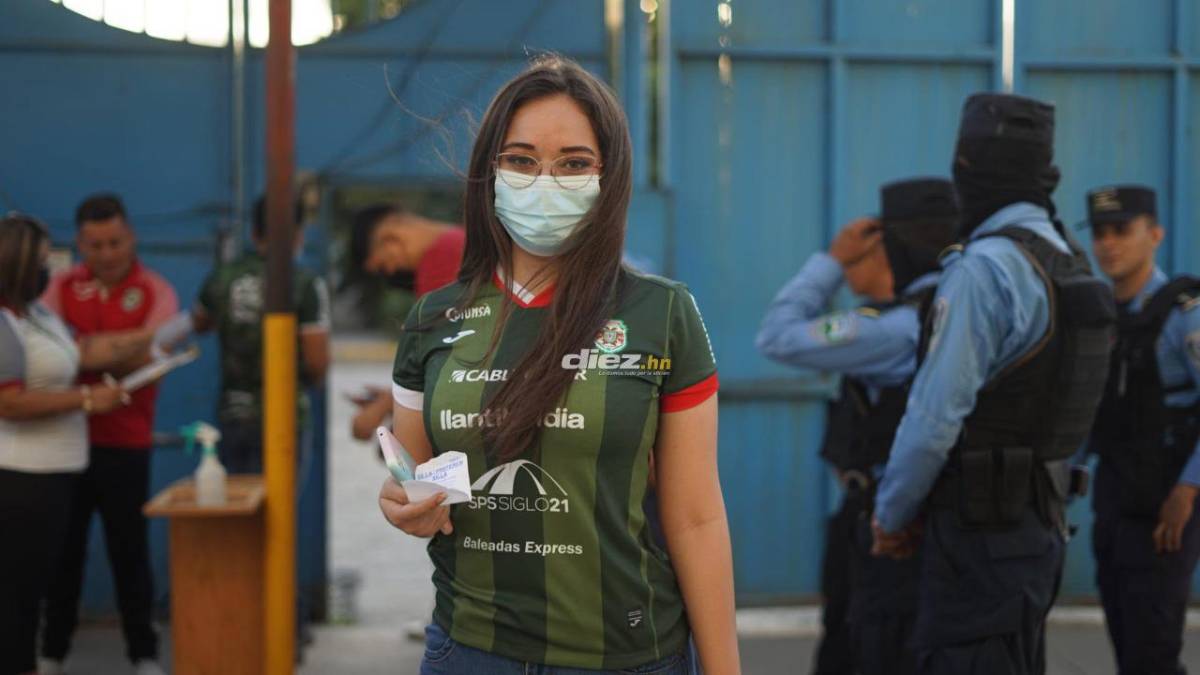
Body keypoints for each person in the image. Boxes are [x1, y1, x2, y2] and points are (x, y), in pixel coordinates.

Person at [377, 56, 739, 674]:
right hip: (470, 652)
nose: (544, 181)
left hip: (628, 655)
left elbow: (697, 518)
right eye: (520, 160)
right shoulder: (432, 320)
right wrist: (401, 504)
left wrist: (725, 668)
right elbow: (416, 478)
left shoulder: (662, 313)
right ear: (489, 174)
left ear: (608, 176)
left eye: (574, 163)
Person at [870, 93, 1115, 674]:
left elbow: (933, 421)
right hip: (1038, 532)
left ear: (967, 168)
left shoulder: (984, 269)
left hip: (976, 542)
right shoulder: (1069, 261)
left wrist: (891, 515)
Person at [757, 178, 958, 675]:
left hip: (889, 524)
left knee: (869, 648)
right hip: (916, 518)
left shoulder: (891, 329)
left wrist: (829, 260)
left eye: (856, 255)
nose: (847, 269)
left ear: (887, 249)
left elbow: (776, 336)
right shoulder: (946, 310)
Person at [37, 194, 176, 675]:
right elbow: (57, 354)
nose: (107, 253)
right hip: (65, 441)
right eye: (95, 245)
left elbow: (158, 349)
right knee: (64, 552)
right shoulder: (58, 286)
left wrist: (86, 350)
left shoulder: (155, 289)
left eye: (115, 242)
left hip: (127, 442)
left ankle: (143, 654)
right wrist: (129, 346)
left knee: (129, 552)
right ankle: (52, 652)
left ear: (130, 237)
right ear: (80, 244)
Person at [0, 214, 129, 675]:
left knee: (30, 595)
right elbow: (8, 403)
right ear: (17, 264)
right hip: (21, 480)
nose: (48, 271)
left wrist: (154, 343)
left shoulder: (37, 315)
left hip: (54, 477)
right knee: (14, 601)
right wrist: (87, 400)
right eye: (40, 262)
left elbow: (82, 351)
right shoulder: (4, 322)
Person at [1082, 184, 1200, 674]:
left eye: (1121, 230)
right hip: (1114, 498)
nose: (1108, 244)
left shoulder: (1184, 314)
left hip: (1165, 503)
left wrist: (1188, 490)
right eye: (1099, 233)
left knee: (1152, 652)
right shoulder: (1098, 317)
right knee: (1128, 646)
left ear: (1154, 234)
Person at [155, 196, 331, 473]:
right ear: (298, 235)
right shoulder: (305, 284)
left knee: (239, 497)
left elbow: (198, 323)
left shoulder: (222, 278)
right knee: (281, 500)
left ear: (254, 232)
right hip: (286, 416)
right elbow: (316, 361)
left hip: (234, 414)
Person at [348, 204, 465, 443]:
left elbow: (438, 359)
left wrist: (382, 406)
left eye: (384, 264)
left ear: (390, 236)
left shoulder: (441, 259)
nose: (392, 270)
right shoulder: (458, 242)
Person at [349, 202, 465, 298]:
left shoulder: (435, 270)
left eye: (383, 265)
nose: (391, 270)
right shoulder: (466, 235)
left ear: (390, 233)